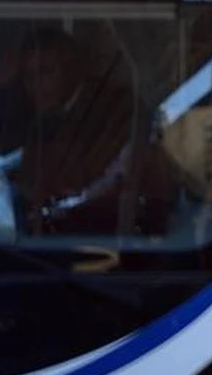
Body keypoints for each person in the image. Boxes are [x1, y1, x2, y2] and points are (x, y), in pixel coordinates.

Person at [10, 28, 175, 235]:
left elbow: (118, 183)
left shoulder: (116, 111)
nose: (35, 85)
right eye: (28, 76)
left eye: (45, 71)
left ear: (71, 69)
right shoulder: (40, 123)